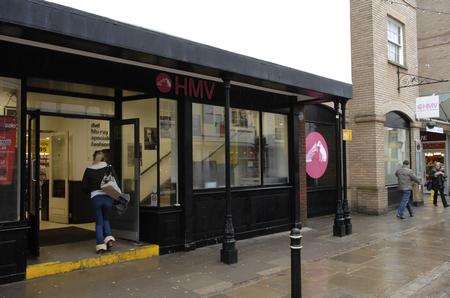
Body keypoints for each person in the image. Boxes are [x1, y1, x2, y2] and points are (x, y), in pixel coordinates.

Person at [82, 150, 117, 253]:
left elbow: (84, 187)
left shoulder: (88, 170)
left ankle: (101, 245)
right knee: (105, 219)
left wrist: (90, 191)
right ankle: (109, 239)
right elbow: (116, 182)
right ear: (103, 158)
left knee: (99, 222)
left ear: (94, 158)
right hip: (108, 198)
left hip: (96, 198)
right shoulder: (109, 168)